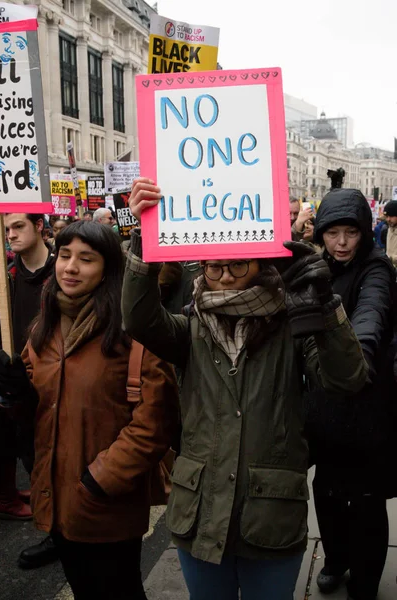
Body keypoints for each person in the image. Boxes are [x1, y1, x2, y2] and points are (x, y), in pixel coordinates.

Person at [121, 178, 368, 600]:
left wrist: (326, 309)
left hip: (270, 516)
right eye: (214, 268)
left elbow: (347, 378)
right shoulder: (192, 325)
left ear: (260, 264)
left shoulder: (294, 320)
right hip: (200, 514)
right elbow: (140, 321)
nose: (225, 279)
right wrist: (144, 241)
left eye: (238, 266)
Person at [0, 221, 179, 600]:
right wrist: (16, 393)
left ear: (107, 268)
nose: (70, 267)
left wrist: (101, 478)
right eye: (64, 256)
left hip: (107, 503)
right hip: (57, 500)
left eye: (86, 259)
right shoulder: (42, 329)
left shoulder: (134, 331)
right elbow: (37, 409)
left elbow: (155, 422)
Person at [304, 188, 396, 600]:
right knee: (325, 491)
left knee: (366, 502)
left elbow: (370, 317)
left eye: (351, 233)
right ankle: (336, 559)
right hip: (326, 407)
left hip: (367, 406)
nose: (341, 244)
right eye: (332, 233)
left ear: (364, 233)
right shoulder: (317, 266)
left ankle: (365, 578)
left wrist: (354, 358)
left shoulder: (376, 270)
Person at [0, 214, 55, 521]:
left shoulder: (63, 271)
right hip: (16, 381)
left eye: (18, 226)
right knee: (26, 449)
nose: (11, 234)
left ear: (39, 227)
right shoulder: (5, 276)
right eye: (6, 229)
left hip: (55, 379)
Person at [382, 201, 397, 266]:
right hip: (390, 271)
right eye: (387, 216)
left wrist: (389, 258)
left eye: (391, 216)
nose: (388, 219)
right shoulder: (388, 230)